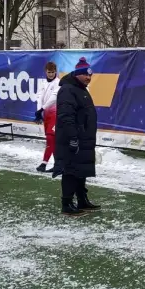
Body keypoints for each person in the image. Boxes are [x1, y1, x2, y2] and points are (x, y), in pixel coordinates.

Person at [54, 57, 100, 216]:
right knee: (71, 170)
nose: (88, 78)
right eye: (85, 75)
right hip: (73, 139)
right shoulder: (68, 89)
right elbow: (66, 116)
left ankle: (82, 199)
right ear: (77, 74)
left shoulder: (80, 89)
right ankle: (66, 203)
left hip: (83, 139)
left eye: (90, 76)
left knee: (81, 170)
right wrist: (73, 137)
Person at [35, 61, 60, 173]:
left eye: (53, 72)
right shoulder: (42, 83)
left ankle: (44, 163)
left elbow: (53, 98)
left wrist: (42, 108)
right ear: (46, 72)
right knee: (51, 140)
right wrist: (39, 111)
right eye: (49, 72)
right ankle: (57, 164)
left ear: (56, 72)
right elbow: (39, 96)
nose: (51, 74)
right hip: (46, 114)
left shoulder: (58, 83)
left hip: (55, 113)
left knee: (50, 139)